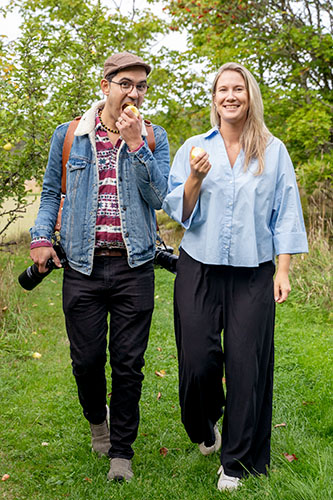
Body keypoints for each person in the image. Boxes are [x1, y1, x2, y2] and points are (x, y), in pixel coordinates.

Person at [162, 62, 308, 491]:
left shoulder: (273, 150)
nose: (230, 96)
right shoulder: (194, 147)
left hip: (254, 272)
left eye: (238, 89)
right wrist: (194, 177)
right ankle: (204, 424)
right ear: (214, 98)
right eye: (222, 89)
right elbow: (178, 212)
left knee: (247, 364)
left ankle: (237, 461)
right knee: (197, 359)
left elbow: (286, 212)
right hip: (199, 267)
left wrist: (283, 269)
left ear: (250, 97)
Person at [29, 52, 170, 482]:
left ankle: (121, 455)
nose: (134, 93)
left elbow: (161, 197)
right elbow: (52, 191)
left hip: (134, 266)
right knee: (86, 360)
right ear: (105, 85)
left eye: (141, 86)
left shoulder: (153, 136)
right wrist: (39, 237)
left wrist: (136, 146)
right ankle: (98, 420)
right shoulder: (70, 135)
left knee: (129, 362)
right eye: (126, 83)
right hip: (83, 267)